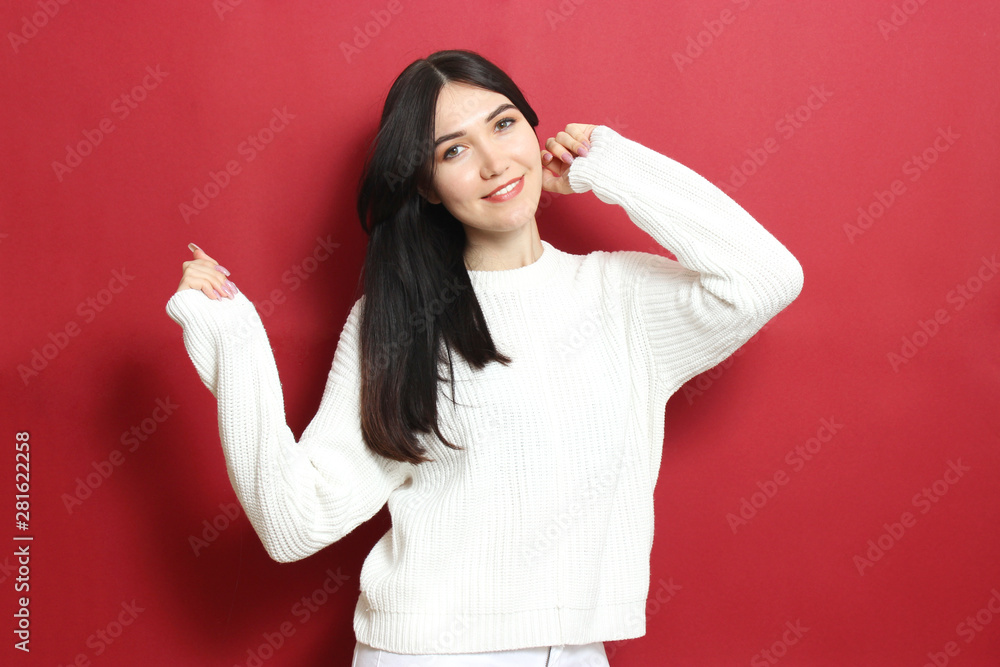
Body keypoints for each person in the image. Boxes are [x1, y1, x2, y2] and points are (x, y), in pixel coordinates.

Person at [166, 49, 803, 665]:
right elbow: (294, 521)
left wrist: (608, 166)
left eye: (503, 124)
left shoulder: (621, 297)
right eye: (455, 150)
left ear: (533, 129)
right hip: (429, 653)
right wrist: (232, 339)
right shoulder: (399, 324)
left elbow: (767, 278)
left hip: (578, 649)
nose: (496, 161)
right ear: (429, 185)